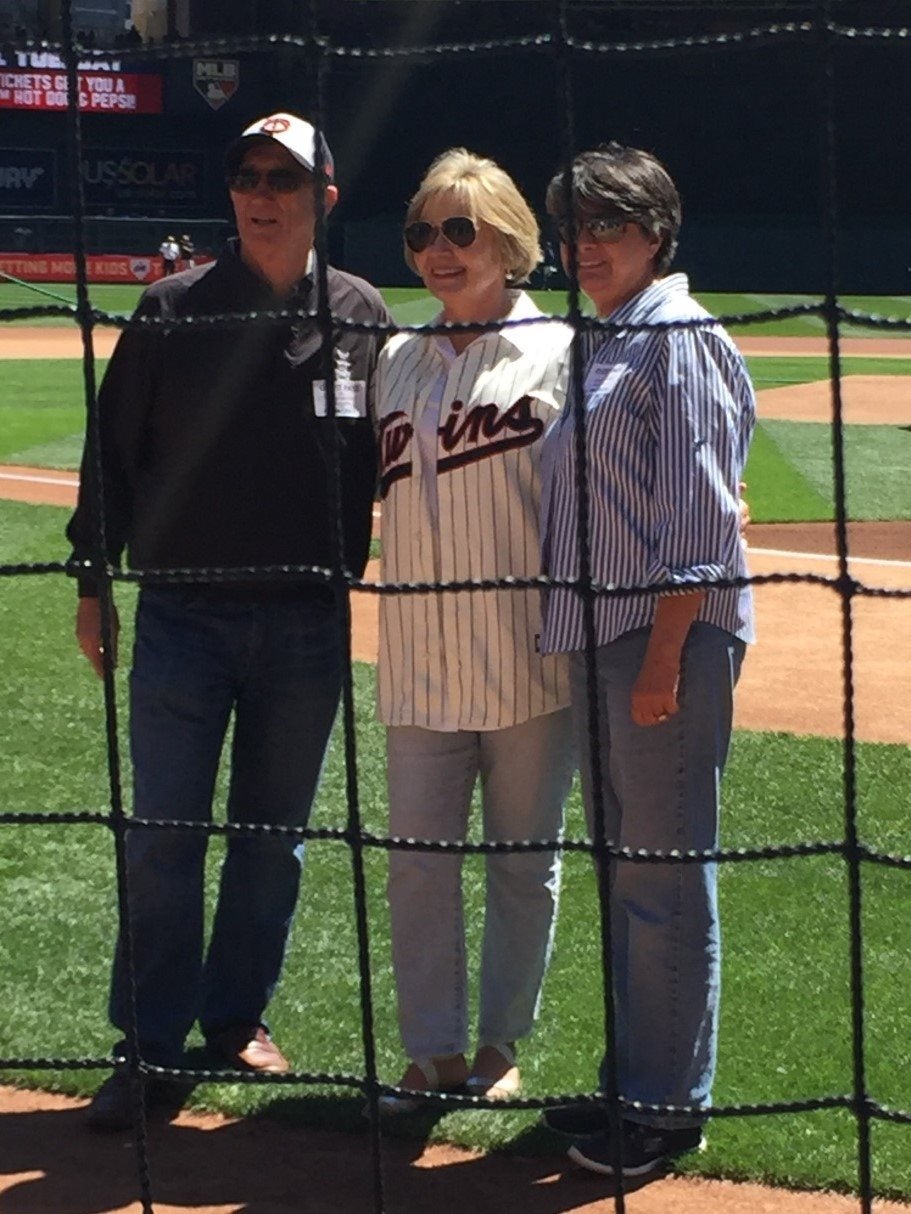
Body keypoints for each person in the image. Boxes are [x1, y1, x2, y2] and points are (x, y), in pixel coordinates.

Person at [67, 111, 391, 1131]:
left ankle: (234, 1018)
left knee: (271, 841)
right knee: (164, 833)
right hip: (182, 616)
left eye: (283, 179)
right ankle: (149, 1044)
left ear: (322, 198)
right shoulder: (171, 307)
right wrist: (91, 579)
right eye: (247, 175)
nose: (261, 193)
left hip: (305, 623)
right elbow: (110, 451)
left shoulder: (360, 311)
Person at [538, 144, 756, 1176]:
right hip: (606, 634)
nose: (587, 245)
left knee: (662, 877)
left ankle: (666, 1106)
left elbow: (697, 517)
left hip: (661, 637)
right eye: (575, 226)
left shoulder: (676, 337)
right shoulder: (606, 335)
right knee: (629, 873)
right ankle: (635, 1075)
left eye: (608, 225)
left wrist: (663, 658)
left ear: (654, 235)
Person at [374, 149, 577, 1110]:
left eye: (461, 229)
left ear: (508, 239)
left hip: (529, 660)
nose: (440, 251)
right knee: (415, 868)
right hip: (416, 662)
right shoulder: (394, 361)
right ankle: (430, 1052)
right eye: (424, 233)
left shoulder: (563, 351)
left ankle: (500, 1045)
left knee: (521, 868)